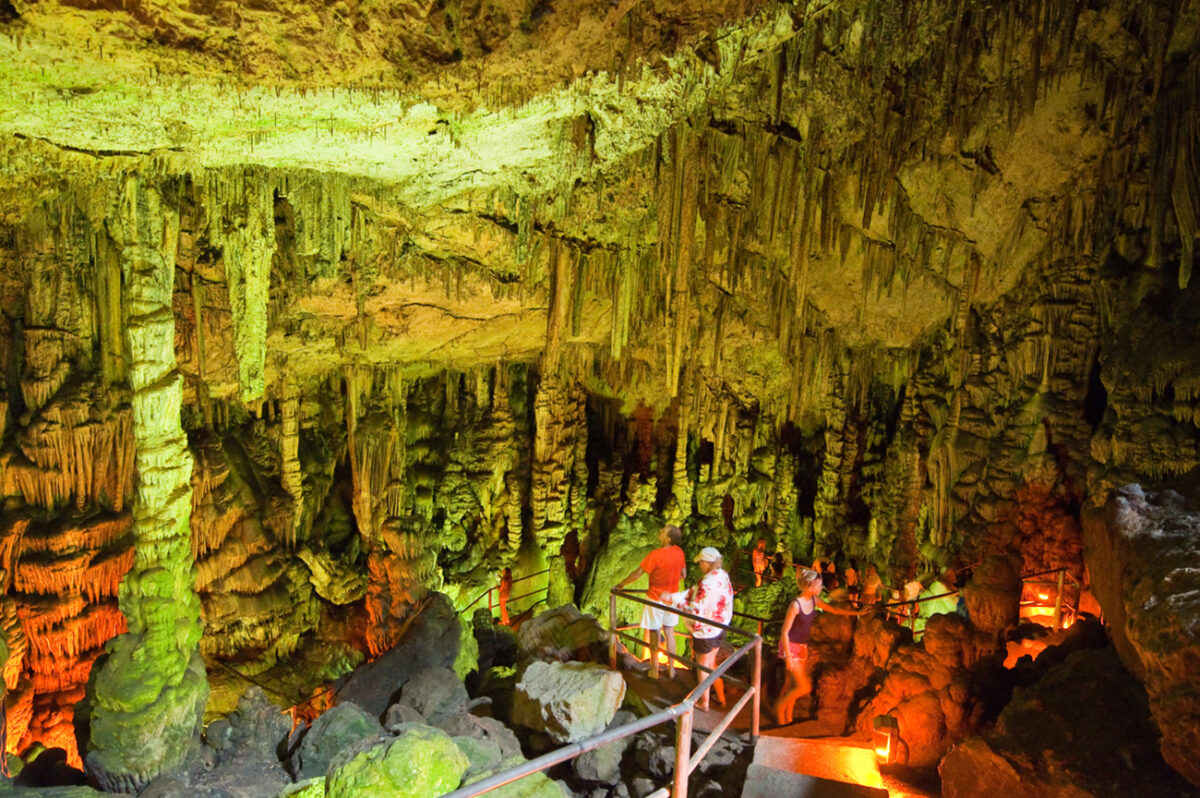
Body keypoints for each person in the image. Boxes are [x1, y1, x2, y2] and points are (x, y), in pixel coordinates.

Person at [775, 568, 868, 726]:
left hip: (802, 645)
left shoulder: (814, 601)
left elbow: (835, 610)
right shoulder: (795, 605)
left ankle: (788, 718)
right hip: (790, 646)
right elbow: (784, 631)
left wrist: (859, 612)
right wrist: (789, 657)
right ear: (810, 586)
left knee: (792, 684)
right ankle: (779, 709)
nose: (821, 588)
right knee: (804, 686)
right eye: (819, 585)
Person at [663, 547, 733, 711]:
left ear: (707, 562)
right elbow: (693, 592)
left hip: (706, 631)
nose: (699, 565)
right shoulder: (722, 575)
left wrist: (672, 602)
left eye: (701, 562)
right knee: (711, 663)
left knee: (702, 666)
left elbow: (695, 608)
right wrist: (673, 597)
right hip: (720, 626)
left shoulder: (707, 582)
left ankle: (704, 702)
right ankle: (721, 698)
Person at [615, 524, 686, 677]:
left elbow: (638, 573)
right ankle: (671, 668)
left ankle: (654, 669)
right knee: (670, 632)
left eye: (662, 531)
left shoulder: (656, 555)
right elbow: (683, 574)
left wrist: (621, 584)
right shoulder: (679, 552)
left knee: (654, 633)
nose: (659, 532)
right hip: (672, 599)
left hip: (656, 599)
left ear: (667, 538)